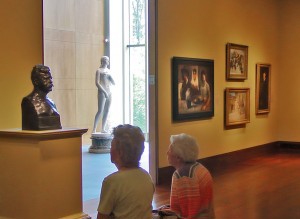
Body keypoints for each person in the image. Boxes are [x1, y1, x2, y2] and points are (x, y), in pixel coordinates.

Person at [97, 124, 155, 219]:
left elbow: (102, 217)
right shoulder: (147, 176)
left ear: (120, 152)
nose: (110, 150)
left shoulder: (111, 181)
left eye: (112, 146)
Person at [166, 133, 215, 219]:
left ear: (178, 157)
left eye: (169, 150)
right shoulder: (199, 168)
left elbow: (190, 213)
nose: (167, 153)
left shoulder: (183, 176)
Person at [21, 64, 62, 130]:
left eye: (50, 78)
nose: (50, 81)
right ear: (36, 81)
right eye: (46, 78)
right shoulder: (28, 101)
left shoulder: (51, 102)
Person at [92, 56, 115, 133]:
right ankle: (94, 128)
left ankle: (103, 128)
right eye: (105, 60)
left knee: (107, 110)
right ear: (102, 61)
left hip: (109, 91)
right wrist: (104, 92)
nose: (107, 61)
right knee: (100, 110)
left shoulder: (109, 71)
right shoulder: (99, 71)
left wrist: (110, 77)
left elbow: (113, 83)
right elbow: (97, 83)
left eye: (107, 60)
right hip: (102, 92)